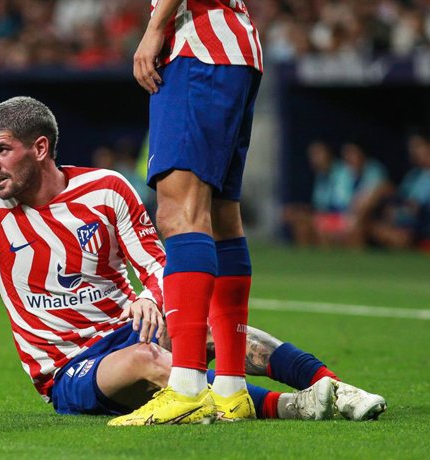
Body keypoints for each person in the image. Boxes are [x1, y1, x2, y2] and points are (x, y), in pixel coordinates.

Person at [0, 97, 386, 424]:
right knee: (147, 362)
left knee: (226, 333)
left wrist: (149, 295)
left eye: (1, 151)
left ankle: (334, 386)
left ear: (40, 148)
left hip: (128, 328)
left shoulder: (107, 190)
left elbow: (159, 263)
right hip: (69, 370)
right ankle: (290, 408)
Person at [120, 0, 264, 424]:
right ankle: (232, 389)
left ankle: (185, 385)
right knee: (220, 218)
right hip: (235, 49)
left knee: (179, 213)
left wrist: (153, 28)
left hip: (196, 47)